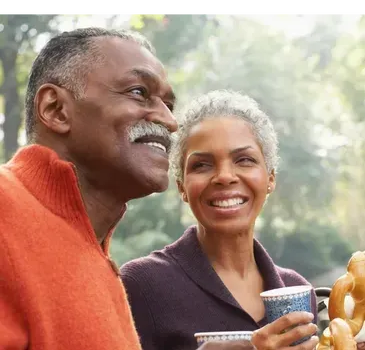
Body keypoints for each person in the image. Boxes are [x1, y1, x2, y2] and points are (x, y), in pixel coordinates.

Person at [0, 27, 179, 350]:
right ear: (56, 109)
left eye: (169, 104)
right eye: (139, 92)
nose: (169, 121)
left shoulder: (94, 253)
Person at [120, 90, 320, 350]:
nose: (224, 177)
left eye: (244, 160)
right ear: (182, 186)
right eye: (202, 165)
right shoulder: (142, 285)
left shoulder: (298, 290)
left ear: (270, 178)